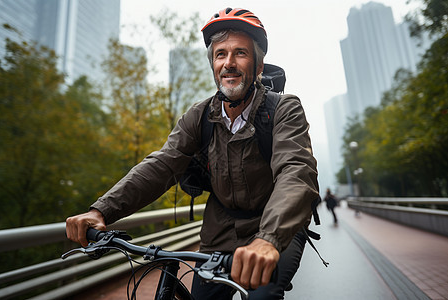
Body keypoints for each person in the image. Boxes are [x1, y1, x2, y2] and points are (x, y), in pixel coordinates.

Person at [66, 7, 319, 300]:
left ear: (259, 66)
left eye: (240, 53)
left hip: (276, 225)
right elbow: (161, 165)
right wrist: (101, 211)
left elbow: (296, 171)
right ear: (213, 64)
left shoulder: (283, 109)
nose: (229, 63)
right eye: (220, 54)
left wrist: (268, 240)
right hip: (220, 231)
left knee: (262, 296)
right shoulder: (199, 116)